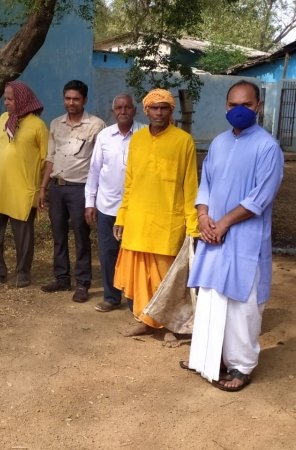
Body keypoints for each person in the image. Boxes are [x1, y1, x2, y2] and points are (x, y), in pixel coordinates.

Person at [185, 80, 284, 391]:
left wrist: (224, 223)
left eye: (246, 104)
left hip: (245, 239)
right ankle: (210, 357)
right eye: (232, 104)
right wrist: (203, 217)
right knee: (212, 298)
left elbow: (260, 198)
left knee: (243, 305)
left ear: (258, 107)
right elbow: (206, 185)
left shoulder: (268, 147)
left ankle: (241, 367)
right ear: (225, 106)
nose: (238, 109)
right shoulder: (218, 143)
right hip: (214, 234)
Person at [113, 88, 199, 336]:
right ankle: (146, 321)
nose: (159, 112)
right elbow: (129, 183)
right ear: (146, 110)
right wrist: (122, 216)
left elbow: (191, 187)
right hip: (138, 221)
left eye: (164, 108)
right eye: (154, 108)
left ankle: (170, 325)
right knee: (141, 279)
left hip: (167, 223)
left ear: (171, 111)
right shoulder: (137, 140)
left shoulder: (183, 141)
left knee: (168, 280)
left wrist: (192, 226)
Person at [0, 81, 48, 288]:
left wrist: (41, 188)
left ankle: (23, 272)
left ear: (21, 99)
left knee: (23, 233)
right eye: (5, 99)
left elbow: (45, 159)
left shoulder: (38, 126)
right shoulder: (3, 120)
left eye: (10, 99)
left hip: (22, 189)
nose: (6, 103)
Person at [38, 80, 105, 302]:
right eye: (67, 98)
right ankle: (62, 278)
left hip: (80, 189)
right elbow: (50, 158)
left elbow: (99, 163)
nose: (71, 103)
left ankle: (83, 283)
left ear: (84, 100)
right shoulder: (56, 124)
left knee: (81, 236)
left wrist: (93, 198)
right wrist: (43, 188)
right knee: (58, 235)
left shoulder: (96, 125)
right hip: (58, 188)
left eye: (76, 99)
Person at [85, 94, 145, 312]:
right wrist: (89, 202)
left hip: (135, 208)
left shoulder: (145, 134)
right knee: (108, 252)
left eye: (127, 107)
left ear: (135, 110)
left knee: (133, 254)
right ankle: (111, 297)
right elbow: (94, 171)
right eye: (119, 107)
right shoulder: (104, 136)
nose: (123, 111)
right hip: (107, 206)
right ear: (113, 112)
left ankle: (134, 299)